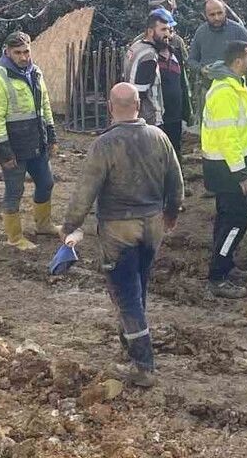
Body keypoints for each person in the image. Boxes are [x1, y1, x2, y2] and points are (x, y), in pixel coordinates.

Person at [59, 83, 183, 387]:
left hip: (119, 229)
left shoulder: (105, 145)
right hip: (153, 224)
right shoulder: (160, 137)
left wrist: (70, 225)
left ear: (111, 108)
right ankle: (131, 345)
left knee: (126, 296)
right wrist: (171, 214)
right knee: (138, 286)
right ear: (138, 106)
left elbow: (85, 192)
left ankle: (143, 366)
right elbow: (176, 183)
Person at [200, 40, 247, 298]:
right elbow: (228, 137)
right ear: (238, 61)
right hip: (229, 169)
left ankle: (226, 264)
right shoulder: (226, 92)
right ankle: (218, 276)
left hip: (232, 165)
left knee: (228, 220)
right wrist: (241, 173)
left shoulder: (233, 86)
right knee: (235, 223)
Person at [0, 31, 58, 251]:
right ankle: (14, 237)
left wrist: (51, 136)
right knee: (14, 192)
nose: (24, 57)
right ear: (7, 52)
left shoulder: (36, 73)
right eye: (18, 53)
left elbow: (45, 105)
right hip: (14, 147)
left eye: (26, 51)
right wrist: (4, 152)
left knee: (46, 183)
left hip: (37, 143)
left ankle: (43, 225)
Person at [125, 9, 189, 156]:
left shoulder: (138, 47)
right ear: (150, 31)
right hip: (153, 119)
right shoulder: (148, 55)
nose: (168, 34)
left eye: (170, 30)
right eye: (163, 30)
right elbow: (139, 92)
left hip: (171, 116)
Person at [188, 0, 247, 114]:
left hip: (235, 91)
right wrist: (201, 69)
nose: (216, 18)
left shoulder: (239, 31)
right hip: (208, 90)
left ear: (225, 11)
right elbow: (191, 60)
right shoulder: (201, 33)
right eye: (212, 14)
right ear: (205, 15)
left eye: (219, 13)